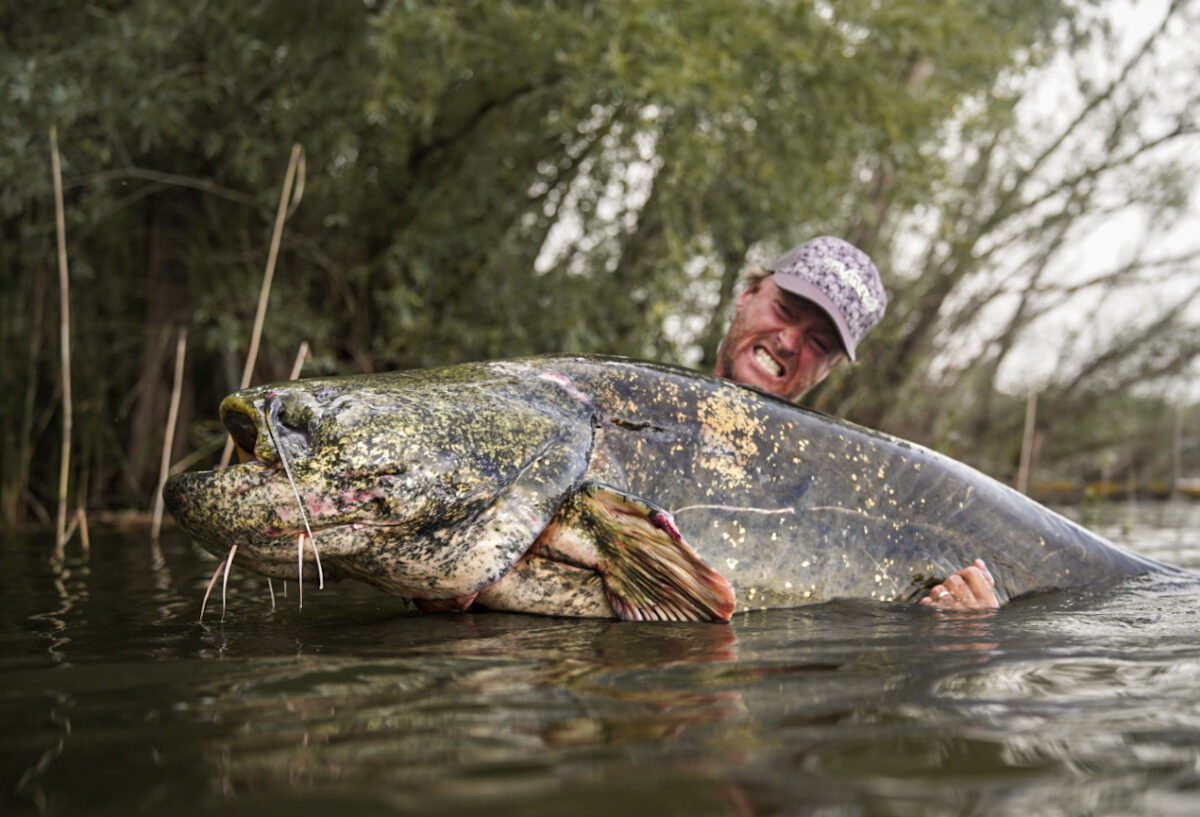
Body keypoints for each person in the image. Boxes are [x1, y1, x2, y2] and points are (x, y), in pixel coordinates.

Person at [713, 236, 998, 612]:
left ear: (830, 367)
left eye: (818, 341)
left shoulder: (843, 491)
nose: (788, 341)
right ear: (747, 295)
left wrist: (967, 623)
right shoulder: (624, 405)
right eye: (784, 310)